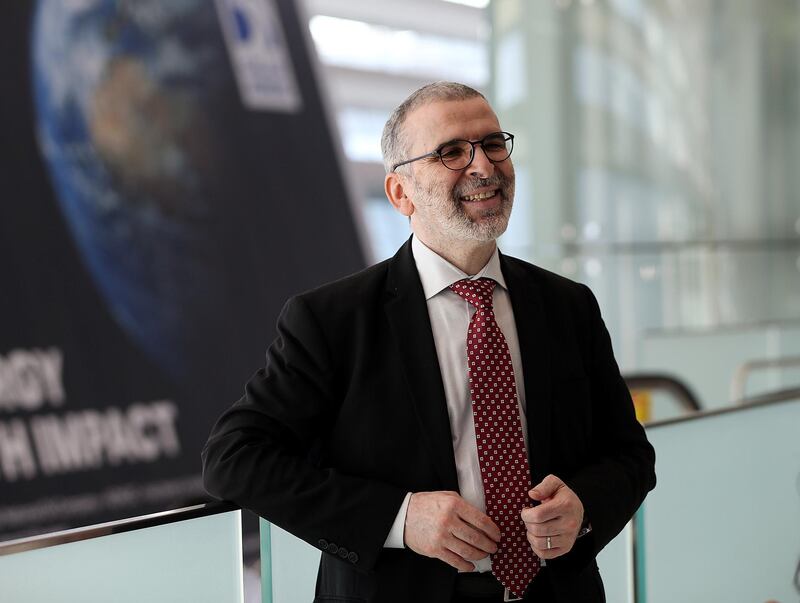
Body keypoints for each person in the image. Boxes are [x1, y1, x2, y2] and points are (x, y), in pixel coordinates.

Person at [202, 81, 656, 602]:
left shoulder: (568, 305)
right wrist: (400, 518)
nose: (483, 166)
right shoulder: (332, 320)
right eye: (452, 152)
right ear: (401, 193)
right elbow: (233, 458)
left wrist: (584, 507)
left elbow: (629, 454)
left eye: (492, 144)